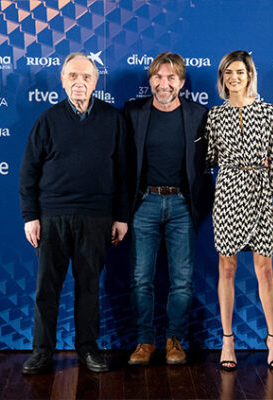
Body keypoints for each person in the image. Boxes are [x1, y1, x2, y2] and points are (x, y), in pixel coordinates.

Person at [19, 52, 128, 374]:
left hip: (96, 217)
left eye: (86, 77)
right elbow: (28, 173)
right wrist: (30, 216)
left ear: (96, 81)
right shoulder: (48, 120)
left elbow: (123, 172)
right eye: (73, 76)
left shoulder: (113, 119)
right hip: (52, 217)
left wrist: (121, 216)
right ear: (63, 80)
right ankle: (41, 351)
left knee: (89, 287)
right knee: (47, 289)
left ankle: (88, 349)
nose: (79, 82)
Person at [205, 50, 273, 371]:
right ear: (223, 78)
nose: (234, 78)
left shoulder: (269, 112)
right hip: (227, 193)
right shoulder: (215, 115)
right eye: (228, 73)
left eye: (240, 72)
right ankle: (227, 340)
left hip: (259, 192)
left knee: (264, 269)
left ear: (250, 75)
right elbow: (210, 157)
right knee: (227, 268)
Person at [124, 52, 212, 365]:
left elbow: (214, 161)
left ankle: (175, 339)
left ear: (182, 82)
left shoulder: (199, 114)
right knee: (140, 279)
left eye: (171, 78)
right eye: (158, 77)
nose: (164, 84)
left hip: (181, 206)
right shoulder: (133, 112)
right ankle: (145, 341)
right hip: (144, 204)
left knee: (182, 280)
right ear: (149, 81)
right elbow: (121, 164)